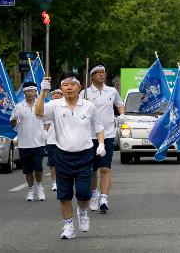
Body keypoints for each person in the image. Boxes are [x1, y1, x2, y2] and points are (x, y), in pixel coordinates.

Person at [35, 72, 105, 239]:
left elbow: (99, 127)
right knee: (64, 195)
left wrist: (101, 144)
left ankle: (83, 211)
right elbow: (38, 113)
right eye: (65, 84)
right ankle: (68, 227)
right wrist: (42, 93)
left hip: (84, 156)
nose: (69, 87)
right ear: (61, 88)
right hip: (62, 155)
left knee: (83, 193)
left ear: (79, 87)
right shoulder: (54, 105)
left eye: (72, 84)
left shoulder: (89, 106)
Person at [81, 64, 125, 213]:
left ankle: (104, 198)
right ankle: (94, 193)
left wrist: (122, 115)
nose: (101, 75)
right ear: (92, 76)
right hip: (89, 135)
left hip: (108, 134)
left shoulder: (112, 91)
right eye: (97, 73)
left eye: (103, 72)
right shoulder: (84, 93)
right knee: (92, 170)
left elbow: (120, 105)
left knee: (105, 168)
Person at [10, 81, 46, 201]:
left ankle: (39, 187)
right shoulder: (18, 106)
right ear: (24, 93)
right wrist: (14, 119)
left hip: (38, 142)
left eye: (32, 91)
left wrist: (45, 131)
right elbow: (12, 124)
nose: (30, 93)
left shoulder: (41, 105)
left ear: (36, 92)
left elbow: (47, 121)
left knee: (38, 168)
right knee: (28, 170)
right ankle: (31, 189)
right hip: (24, 143)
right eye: (27, 91)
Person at [44, 88, 63, 191]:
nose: (56, 95)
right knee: (52, 164)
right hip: (51, 141)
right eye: (54, 93)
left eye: (58, 93)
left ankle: (62, 181)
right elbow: (46, 121)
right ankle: (55, 182)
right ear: (51, 96)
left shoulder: (65, 105)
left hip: (64, 141)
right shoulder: (49, 106)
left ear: (62, 95)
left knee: (64, 162)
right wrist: (45, 132)